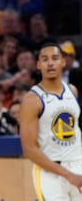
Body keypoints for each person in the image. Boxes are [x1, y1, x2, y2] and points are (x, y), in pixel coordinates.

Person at [20, 42, 82, 200]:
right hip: (50, 172)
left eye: (55, 58)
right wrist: (67, 175)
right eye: (45, 59)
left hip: (77, 164)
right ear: (38, 65)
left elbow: (76, 132)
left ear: (62, 61)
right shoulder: (32, 100)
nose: (50, 63)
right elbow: (29, 149)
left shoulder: (72, 91)